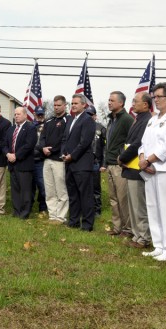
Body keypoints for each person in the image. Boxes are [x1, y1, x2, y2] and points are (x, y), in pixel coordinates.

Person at [139, 83, 166, 261]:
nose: (155, 100)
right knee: (153, 207)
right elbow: (143, 143)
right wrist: (142, 158)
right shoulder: (152, 119)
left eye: (159, 97)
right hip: (149, 169)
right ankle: (159, 245)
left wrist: (149, 160)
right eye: (154, 97)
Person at [118, 92, 153, 249]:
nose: (132, 104)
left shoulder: (147, 120)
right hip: (130, 168)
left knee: (139, 205)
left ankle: (144, 237)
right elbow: (128, 142)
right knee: (133, 204)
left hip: (136, 168)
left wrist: (122, 158)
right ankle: (137, 235)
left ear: (145, 104)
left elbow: (138, 143)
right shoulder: (139, 120)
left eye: (135, 101)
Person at [62, 94, 96, 231]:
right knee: (73, 194)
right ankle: (74, 221)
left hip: (82, 163)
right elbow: (65, 138)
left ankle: (87, 224)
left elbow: (84, 142)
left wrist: (72, 155)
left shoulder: (87, 120)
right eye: (72, 103)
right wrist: (64, 153)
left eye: (76, 103)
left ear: (84, 105)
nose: (73, 105)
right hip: (69, 163)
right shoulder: (71, 119)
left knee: (85, 195)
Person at [101, 91, 133, 237]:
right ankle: (117, 227)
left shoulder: (127, 119)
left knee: (123, 198)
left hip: (121, 165)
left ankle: (127, 229)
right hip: (110, 163)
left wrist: (124, 158)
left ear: (121, 103)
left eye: (112, 100)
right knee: (113, 199)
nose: (109, 103)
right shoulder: (111, 120)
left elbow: (131, 141)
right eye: (108, 100)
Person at [38, 96, 70, 224]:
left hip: (59, 160)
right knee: (49, 189)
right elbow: (42, 138)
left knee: (61, 189)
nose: (56, 107)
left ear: (64, 105)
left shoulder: (68, 120)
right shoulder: (49, 121)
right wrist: (43, 148)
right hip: (47, 159)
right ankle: (52, 215)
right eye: (55, 105)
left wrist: (53, 150)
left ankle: (61, 217)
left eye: (59, 105)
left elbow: (65, 140)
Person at [4, 107, 37, 219]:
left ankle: (24, 212)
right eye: (15, 114)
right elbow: (4, 144)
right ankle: (16, 211)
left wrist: (16, 156)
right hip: (12, 164)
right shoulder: (11, 129)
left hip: (24, 164)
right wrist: (8, 154)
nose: (16, 116)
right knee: (15, 189)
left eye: (18, 114)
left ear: (25, 115)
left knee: (25, 190)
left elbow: (29, 145)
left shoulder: (30, 128)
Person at [86, 106, 106, 216]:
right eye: (87, 114)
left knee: (95, 188)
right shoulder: (82, 126)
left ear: (95, 116)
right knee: (85, 186)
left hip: (96, 162)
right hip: (84, 162)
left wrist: (103, 164)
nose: (89, 117)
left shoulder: (101, 128)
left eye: (91, 115)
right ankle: (86, 208)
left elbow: (105, 148)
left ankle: (97, 209)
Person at [32, 106, 48, 214]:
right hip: (29, 159)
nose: (40, 116)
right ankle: (29, 206)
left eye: (42, 114)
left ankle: (43, 207)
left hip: (41, 159)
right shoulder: (29, 126)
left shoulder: (48, 126)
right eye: (38, 114)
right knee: (29, 185)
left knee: (42, 185)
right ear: (34, 114)